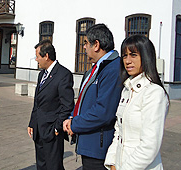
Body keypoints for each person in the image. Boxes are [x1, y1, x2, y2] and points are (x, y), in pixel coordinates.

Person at [104, 35, 169, 170]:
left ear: (146, 56)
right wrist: (112, 162)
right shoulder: (127, 89)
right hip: (120, 163)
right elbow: (119, 132)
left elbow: (149, 146)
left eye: (133, 55)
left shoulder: (153, 93)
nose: (127, 61)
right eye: (124, 56)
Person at [63, 24, 122, 170]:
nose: (84, 47)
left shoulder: (113, 69)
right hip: (88, 141)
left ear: (96, 45)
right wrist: (72, 117)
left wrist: (75, 124)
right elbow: (83, 101)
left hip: (99, 147)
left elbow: (104, 111)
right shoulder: (94, 69)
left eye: (86, 43)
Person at [28, 39, 74, 170]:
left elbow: (67, 105)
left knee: (54, 166)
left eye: (37, 56)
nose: (36, 60)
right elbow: (37, 102)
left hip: (52, 131)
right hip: (39, 129)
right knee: (41, 165)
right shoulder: (42, 74)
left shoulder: (63, 75)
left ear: (46, 56)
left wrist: (56, 127)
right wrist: (32, 122)